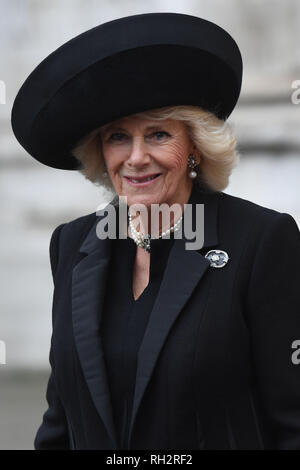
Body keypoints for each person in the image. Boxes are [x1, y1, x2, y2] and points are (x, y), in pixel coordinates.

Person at [11, 12, 300, 450]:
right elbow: (62, 417)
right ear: (100, 153)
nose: (136, 157)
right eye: (117, 137)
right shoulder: (71, 244)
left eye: (159, 134)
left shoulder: (262, 242)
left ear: (195, 149)